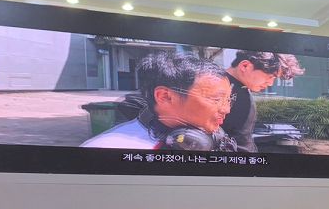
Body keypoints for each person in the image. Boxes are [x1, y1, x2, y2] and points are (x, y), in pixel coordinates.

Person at [81, 53, 237, 151]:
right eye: (216, 99)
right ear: (164, 96)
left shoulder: (212, 135)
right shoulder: (107, 148)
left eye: (228, 100)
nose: (226, 109)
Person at [221, 50, 303, 152]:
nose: (270, 83)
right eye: (270, 76)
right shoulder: (219, 88)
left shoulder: (239, 88)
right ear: (245, 66)